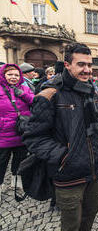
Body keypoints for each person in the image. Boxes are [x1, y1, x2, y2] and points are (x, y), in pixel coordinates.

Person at [23, 43, 98, 231]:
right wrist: (65, 157)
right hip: (68, 175)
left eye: (89, 65)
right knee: (71, 225)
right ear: (67, 64)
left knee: (89, 216)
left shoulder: (91, 90)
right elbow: (34, 138)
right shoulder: (50, 93)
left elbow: (93, 125)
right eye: (81, 65)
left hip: (95, 170)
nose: (87, 70)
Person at [0, 64, 34, 202]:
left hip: (21, 132)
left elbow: (35, 101)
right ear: (3, 75)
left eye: (16, 75)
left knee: (19, 160)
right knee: (1, 162)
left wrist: (23, 94)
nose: (13, 77)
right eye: (10, 75)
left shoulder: (24, 88)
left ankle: (16, 183)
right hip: (4, 134)